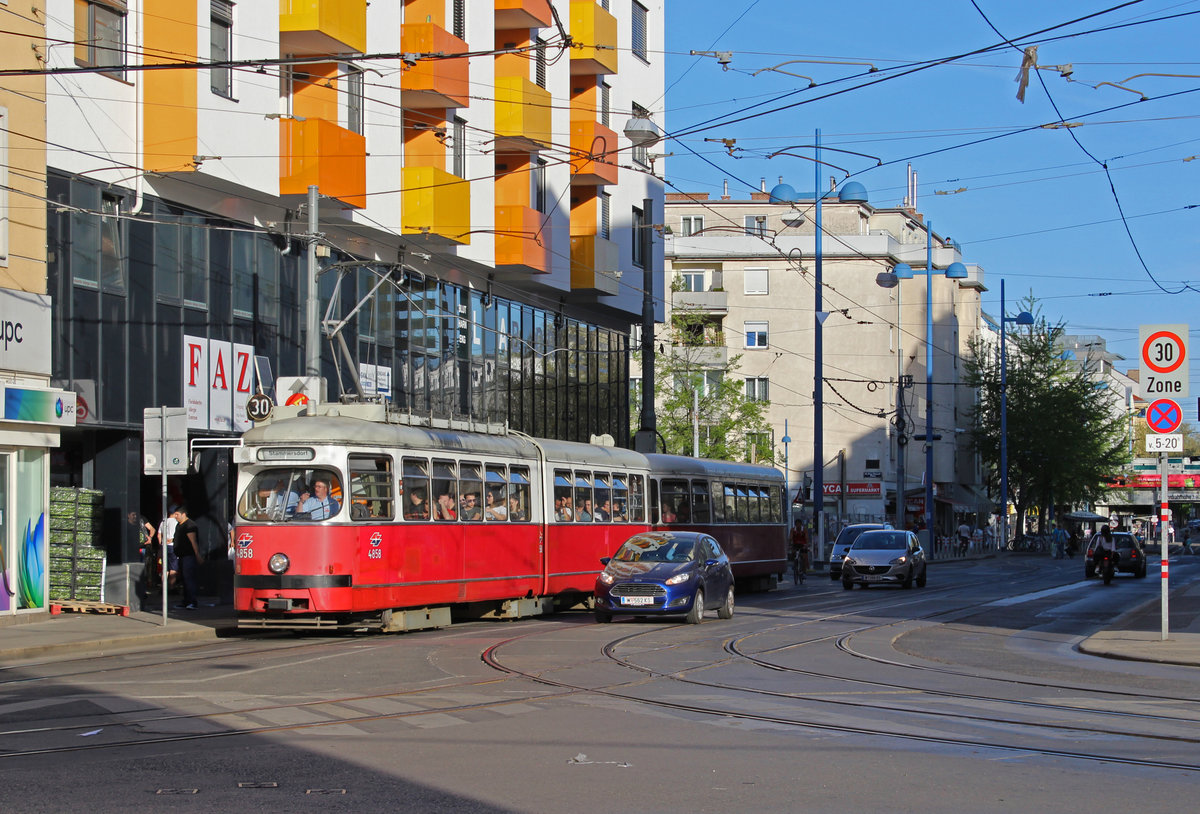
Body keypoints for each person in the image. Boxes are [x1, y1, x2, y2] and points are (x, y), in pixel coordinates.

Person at [172, 506, 203, 610]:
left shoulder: (190, 525)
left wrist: (197, 554)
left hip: (188, 556)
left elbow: (193, 541)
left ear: (183, 514)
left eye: (177, 514)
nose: (175, 516)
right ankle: (186, 601)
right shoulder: (179, 525)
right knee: (184, 579)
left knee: (189, 578)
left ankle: (192, 601)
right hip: (181, 556)